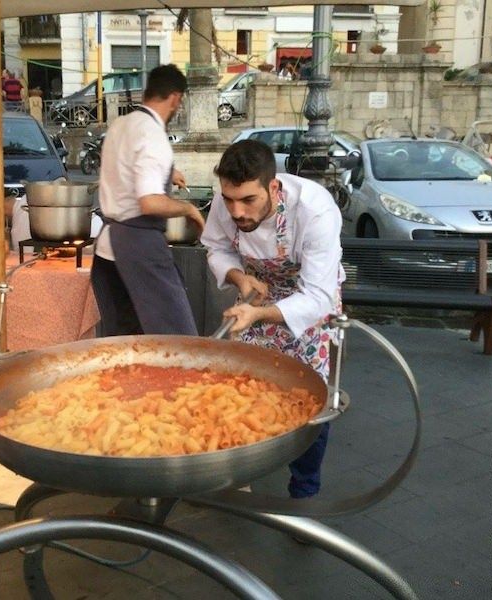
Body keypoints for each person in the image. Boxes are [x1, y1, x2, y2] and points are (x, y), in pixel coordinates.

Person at [201, 139, 343, 499]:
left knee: (310, 396)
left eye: (248, 200)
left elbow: (318, 295)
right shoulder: (226, 201)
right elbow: (216, 247)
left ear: (273, 187)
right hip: (255, 293)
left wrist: (260, 314)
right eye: (229, 200)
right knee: (239, 385)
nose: (237, 212)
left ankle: (305, 488)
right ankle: (238, 471)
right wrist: (239, 278)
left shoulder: (316, 211)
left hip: (307, 303)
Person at [91, 64, 204, 336]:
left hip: (107, 248)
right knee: (175, 336)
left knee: (124, 337)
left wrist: (168, 172)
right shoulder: (154, 135)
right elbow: (150, 202)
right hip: (138, 246)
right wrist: (187, 208)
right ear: (176, 98)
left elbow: (126, 166)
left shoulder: (121, 125)